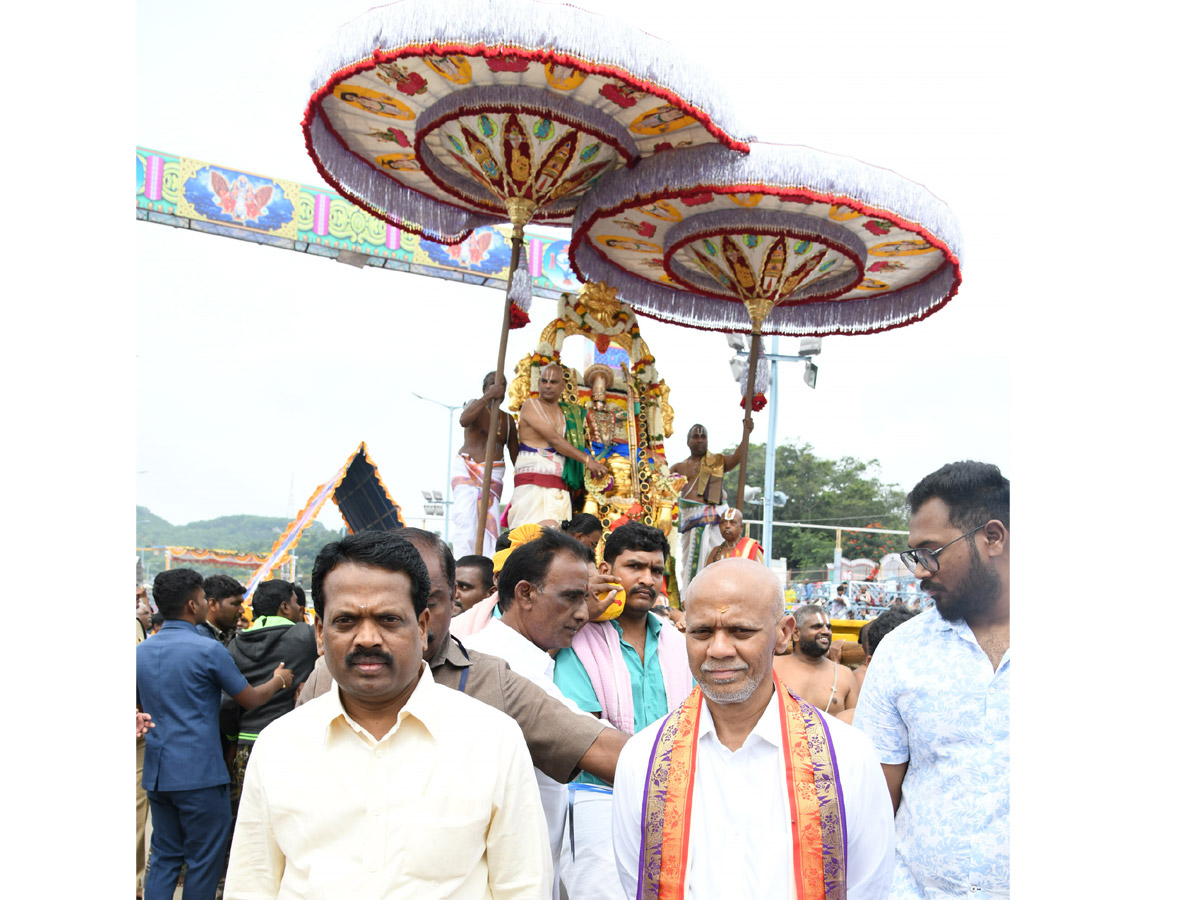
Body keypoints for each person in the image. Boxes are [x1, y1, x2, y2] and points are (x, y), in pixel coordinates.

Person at [225, 531, 552, 899]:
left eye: (389, 620)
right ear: (320, 633)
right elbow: (251, 884)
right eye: (345, 621)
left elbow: (523, 886)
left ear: (423, 626)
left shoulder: (492, 740)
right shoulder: (280, 746)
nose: (367, 638)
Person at [611, 558, 895, 899]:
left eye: (740, 631)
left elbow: (869, 885)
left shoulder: (848, 755)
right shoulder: (642, 758)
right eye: (702, 632)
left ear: (783, 634)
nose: (718, 649)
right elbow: (634, 882)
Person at [296, 527, 631, 788]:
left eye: (426, 603)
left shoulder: (492, 680)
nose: (403, 625)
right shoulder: (325, 679)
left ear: (450, 598)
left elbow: (606, 752)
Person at [855, 461, 1010, 899]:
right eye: (914, 555)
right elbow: (876, 801)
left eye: (931, 551)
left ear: (993, 538)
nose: (920, 571)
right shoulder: (901, 653)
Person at [552, 522, 694, 900]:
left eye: (657, 571)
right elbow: (583, 731)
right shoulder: (577, 639)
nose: (647, 579)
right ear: (607, 569)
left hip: (675, 801)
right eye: (634, 567)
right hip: (597, 802)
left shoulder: (678, 642)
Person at [135, 569, 294, 900]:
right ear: (194, 605)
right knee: (204, 859)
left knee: (164, 857)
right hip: (200, 774)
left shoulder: (141, 651)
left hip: (158, 773)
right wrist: (279, 680)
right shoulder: (207, 650)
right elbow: (248, 699)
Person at [463, 529, 596, 898]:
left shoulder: (531, 660)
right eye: (570, 597)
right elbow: (597, 745)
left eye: (584, 598)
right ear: (525, 594)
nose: (583, 613)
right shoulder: (492, 665)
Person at [224, 579, 319, 815]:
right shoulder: (305, 637)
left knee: (249, 818)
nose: (301, 609)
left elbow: (226, 704)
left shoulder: (235, 645)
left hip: (246, 744)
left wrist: (232, 739)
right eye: (297, 603)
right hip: (291, 743)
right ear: (285, 607)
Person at [510, 363, 607, 529]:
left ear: (562, 386)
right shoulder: (531, 405)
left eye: (553, 382)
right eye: (544, 381)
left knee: (557, 537)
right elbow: (554, 439)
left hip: (558, 482)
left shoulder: (566, 413)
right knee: (527, 536)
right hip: (532, 481)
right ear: (538, 383)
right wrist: (587, 461)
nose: (547, 385)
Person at [668, 422, 750, 603]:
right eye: (695, 436)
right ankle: (690, 600)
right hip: (691, 522)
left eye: (703, 436)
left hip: (715, 523)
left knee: (718, 561)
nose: (699, 440)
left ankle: (718, 598)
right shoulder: (678, 468)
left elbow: (738, 457)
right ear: (688, 441)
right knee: (689, 564)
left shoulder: (717, 461)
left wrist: (747, 432)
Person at [453, 371, 519, 556]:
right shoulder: (475, 406)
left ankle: (486, 568)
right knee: (466, 523)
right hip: (469, 472)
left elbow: (516, 458)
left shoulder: (508, 420)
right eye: (492, 383)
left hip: (493, 477)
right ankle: (462, 566)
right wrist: (489, 396)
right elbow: (463, 420)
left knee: (491, 527)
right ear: (484, 387)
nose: (498, 387)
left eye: (502, 384)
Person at [773, 604, 859, 715]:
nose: (826, 631)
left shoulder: (844, 674)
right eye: (817, 626)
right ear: (795, 634)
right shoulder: (773, 666)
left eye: (828, 627)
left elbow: (854, 723)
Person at [200, 574, 246, 644]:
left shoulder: (234, 637)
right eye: (235, 604)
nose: (242, 610)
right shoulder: (199, 639)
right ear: (213, 604)